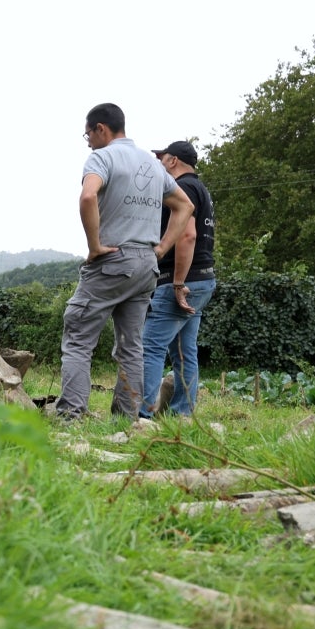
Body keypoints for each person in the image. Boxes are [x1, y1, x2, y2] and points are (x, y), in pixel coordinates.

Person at [57, 104, 195, 420]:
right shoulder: (153, 164)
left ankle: (71, 416)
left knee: (78, 339)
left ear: (101, 129)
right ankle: (127, 417)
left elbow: (88, 196)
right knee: (132, 347)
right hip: (146, 265)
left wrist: (94, 246)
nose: (88, 141)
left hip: (111, 260)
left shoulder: (102, 158)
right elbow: (184, 206)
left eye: (88, 134)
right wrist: (160, 248)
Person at [140, 141, 216, 418]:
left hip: (181, 282)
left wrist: (177, 283)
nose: (159, 163)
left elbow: (188, 235)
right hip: (204, 280)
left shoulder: (181, 188)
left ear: (173, 161)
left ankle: (143, 415)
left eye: (162, 158)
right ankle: (182, 415)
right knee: (185, 353)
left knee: (150, 347)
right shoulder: (202, 190)